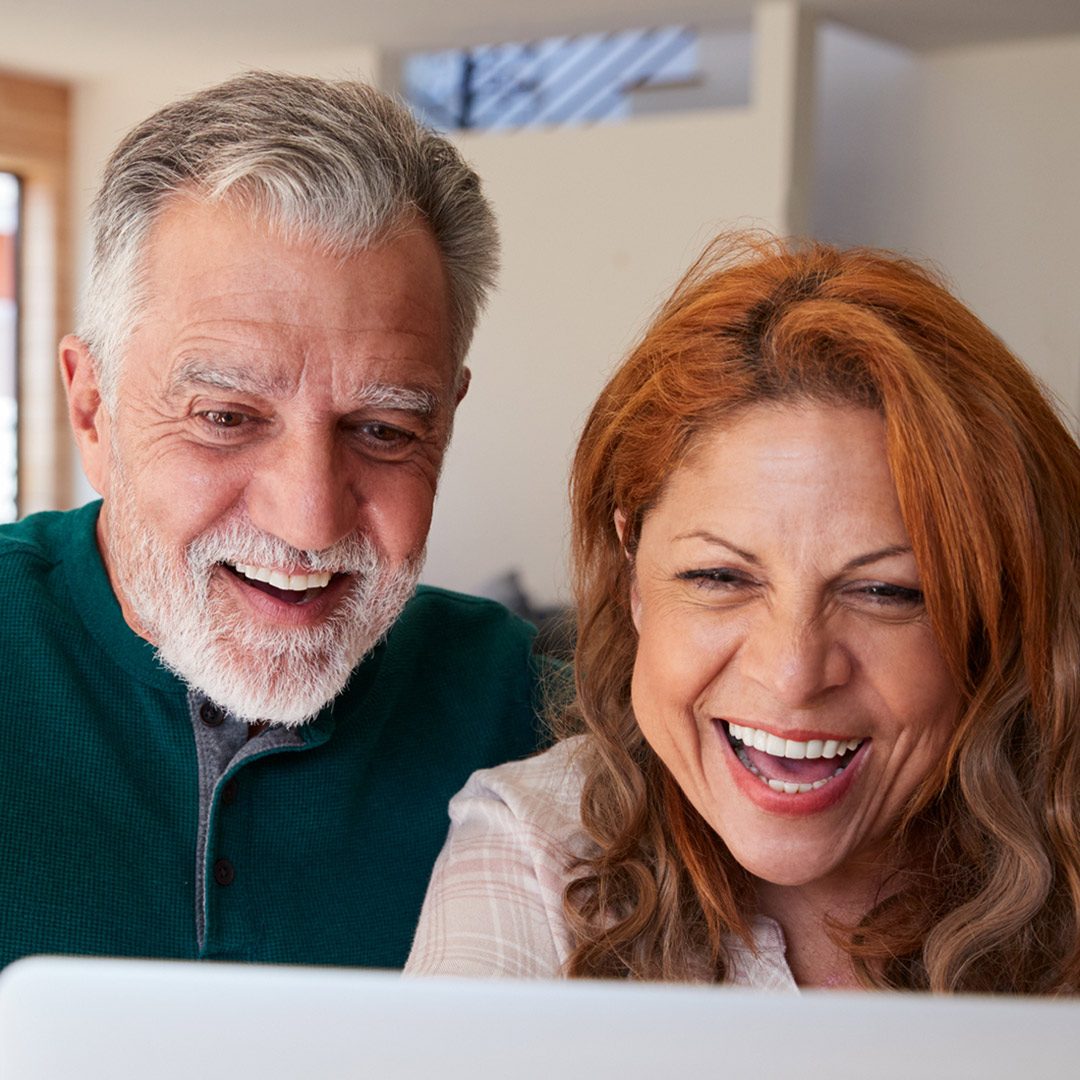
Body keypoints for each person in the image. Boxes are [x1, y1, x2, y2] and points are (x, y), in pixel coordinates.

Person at [406, 234, 1080, 992]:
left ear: (1001, 605)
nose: (792, 674)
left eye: (887, 592)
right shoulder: (537, 849)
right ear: (632, 571)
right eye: (721, 577)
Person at [0, 71, 548, 971]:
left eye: (383, 430)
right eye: (225, 418)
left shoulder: (538, 714)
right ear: (92, 408)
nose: (307, 520)